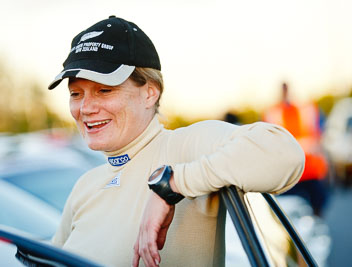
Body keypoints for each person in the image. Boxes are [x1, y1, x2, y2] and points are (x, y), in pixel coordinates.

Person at [48, 16, 305, 267]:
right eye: (75, 93)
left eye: (104, 90)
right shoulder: (85, 186)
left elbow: (285, 153)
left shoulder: (186, 147)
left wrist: (171, 185)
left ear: (150, 93)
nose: (86, 107)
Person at [263, 82, 329, 216]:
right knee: (292, 211)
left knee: (315, 208)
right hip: (289, 172)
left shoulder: (308, 109)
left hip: (309, 170)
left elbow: (320, 135)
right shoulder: (272, 113)